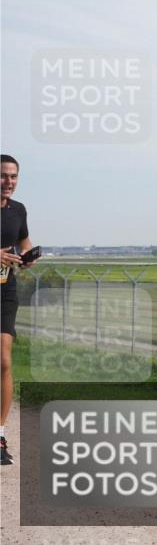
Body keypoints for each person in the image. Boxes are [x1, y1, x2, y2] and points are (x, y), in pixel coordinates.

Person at [1, 153, 36, 466]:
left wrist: (27, 257)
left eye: (13, 176)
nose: (8, 181)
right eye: (2, 175)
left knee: (4, 360)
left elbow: (24, 243)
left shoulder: (18, 210)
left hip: (5, 290)